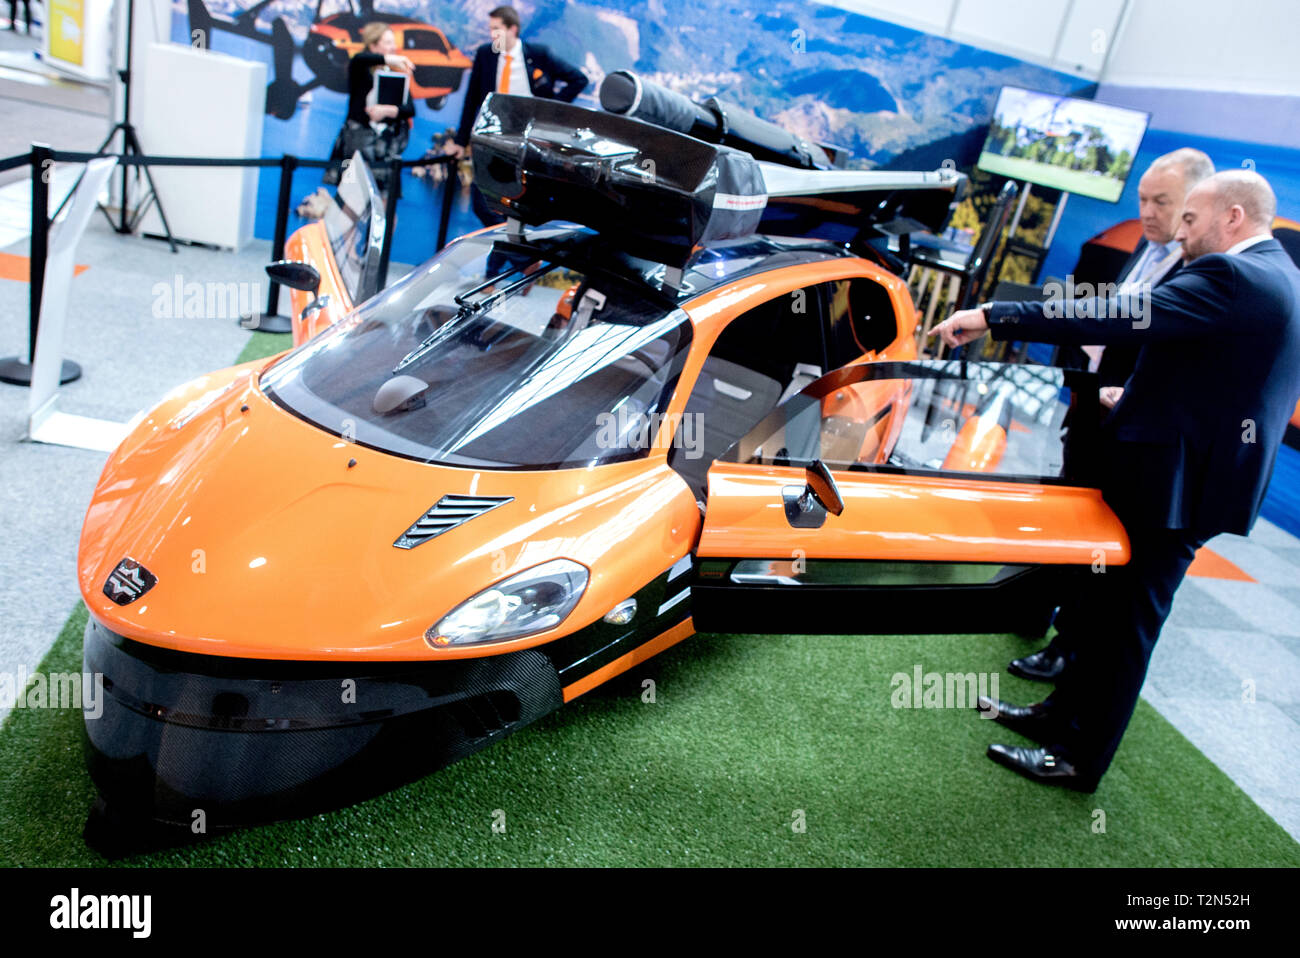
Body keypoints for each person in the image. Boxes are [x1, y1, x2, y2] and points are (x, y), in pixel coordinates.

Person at [932, 170, 1300, 791]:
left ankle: (1079, 756)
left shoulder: (1235, 275)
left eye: (1190, 218)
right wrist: (1135, 401)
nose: (1180, 230)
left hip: (1179, 491)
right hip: (1189, 476)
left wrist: (993, 314)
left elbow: (1121, 313)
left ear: (1233, 217)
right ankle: (1059, 718)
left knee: (1125, 625)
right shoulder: (1277, 273)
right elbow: (1222, 377)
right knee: (1104, 611)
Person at [1010, 147, 1215, 684]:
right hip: (1091, 408)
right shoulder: (1146, 251)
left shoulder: (1200, 272)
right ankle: (1041, 611)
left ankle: (1069, 646)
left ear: (1196, 202)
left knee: (1099, 538)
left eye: (1162, 201)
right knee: (1068, 507)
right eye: (1143, 198)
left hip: (1131, 426)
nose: (1147, 211)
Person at [445, 5, 589, 224]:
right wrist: (460, 140)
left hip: (527, 142)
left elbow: (579, 79)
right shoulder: (486, 54)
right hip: (493, 138)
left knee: (526, 202)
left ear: (512, 29)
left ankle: (513, 252)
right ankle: (507, 249)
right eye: (490, 29)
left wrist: (551, 109)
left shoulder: (538, 55)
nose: (492, 34)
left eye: (497, 29)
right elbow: (472, 100)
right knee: (481, 202)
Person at [325, 23, 415, 194]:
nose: (393, 47)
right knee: (349, 197)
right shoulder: (360, 68)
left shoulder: (395, 75)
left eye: (393, 43)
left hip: (384, 148)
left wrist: (388, 110)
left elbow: (410, 108)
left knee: (386, 204)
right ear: (373, 45)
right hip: (356, 143)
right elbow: (359, 59)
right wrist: (391, 59)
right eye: (387, 42)